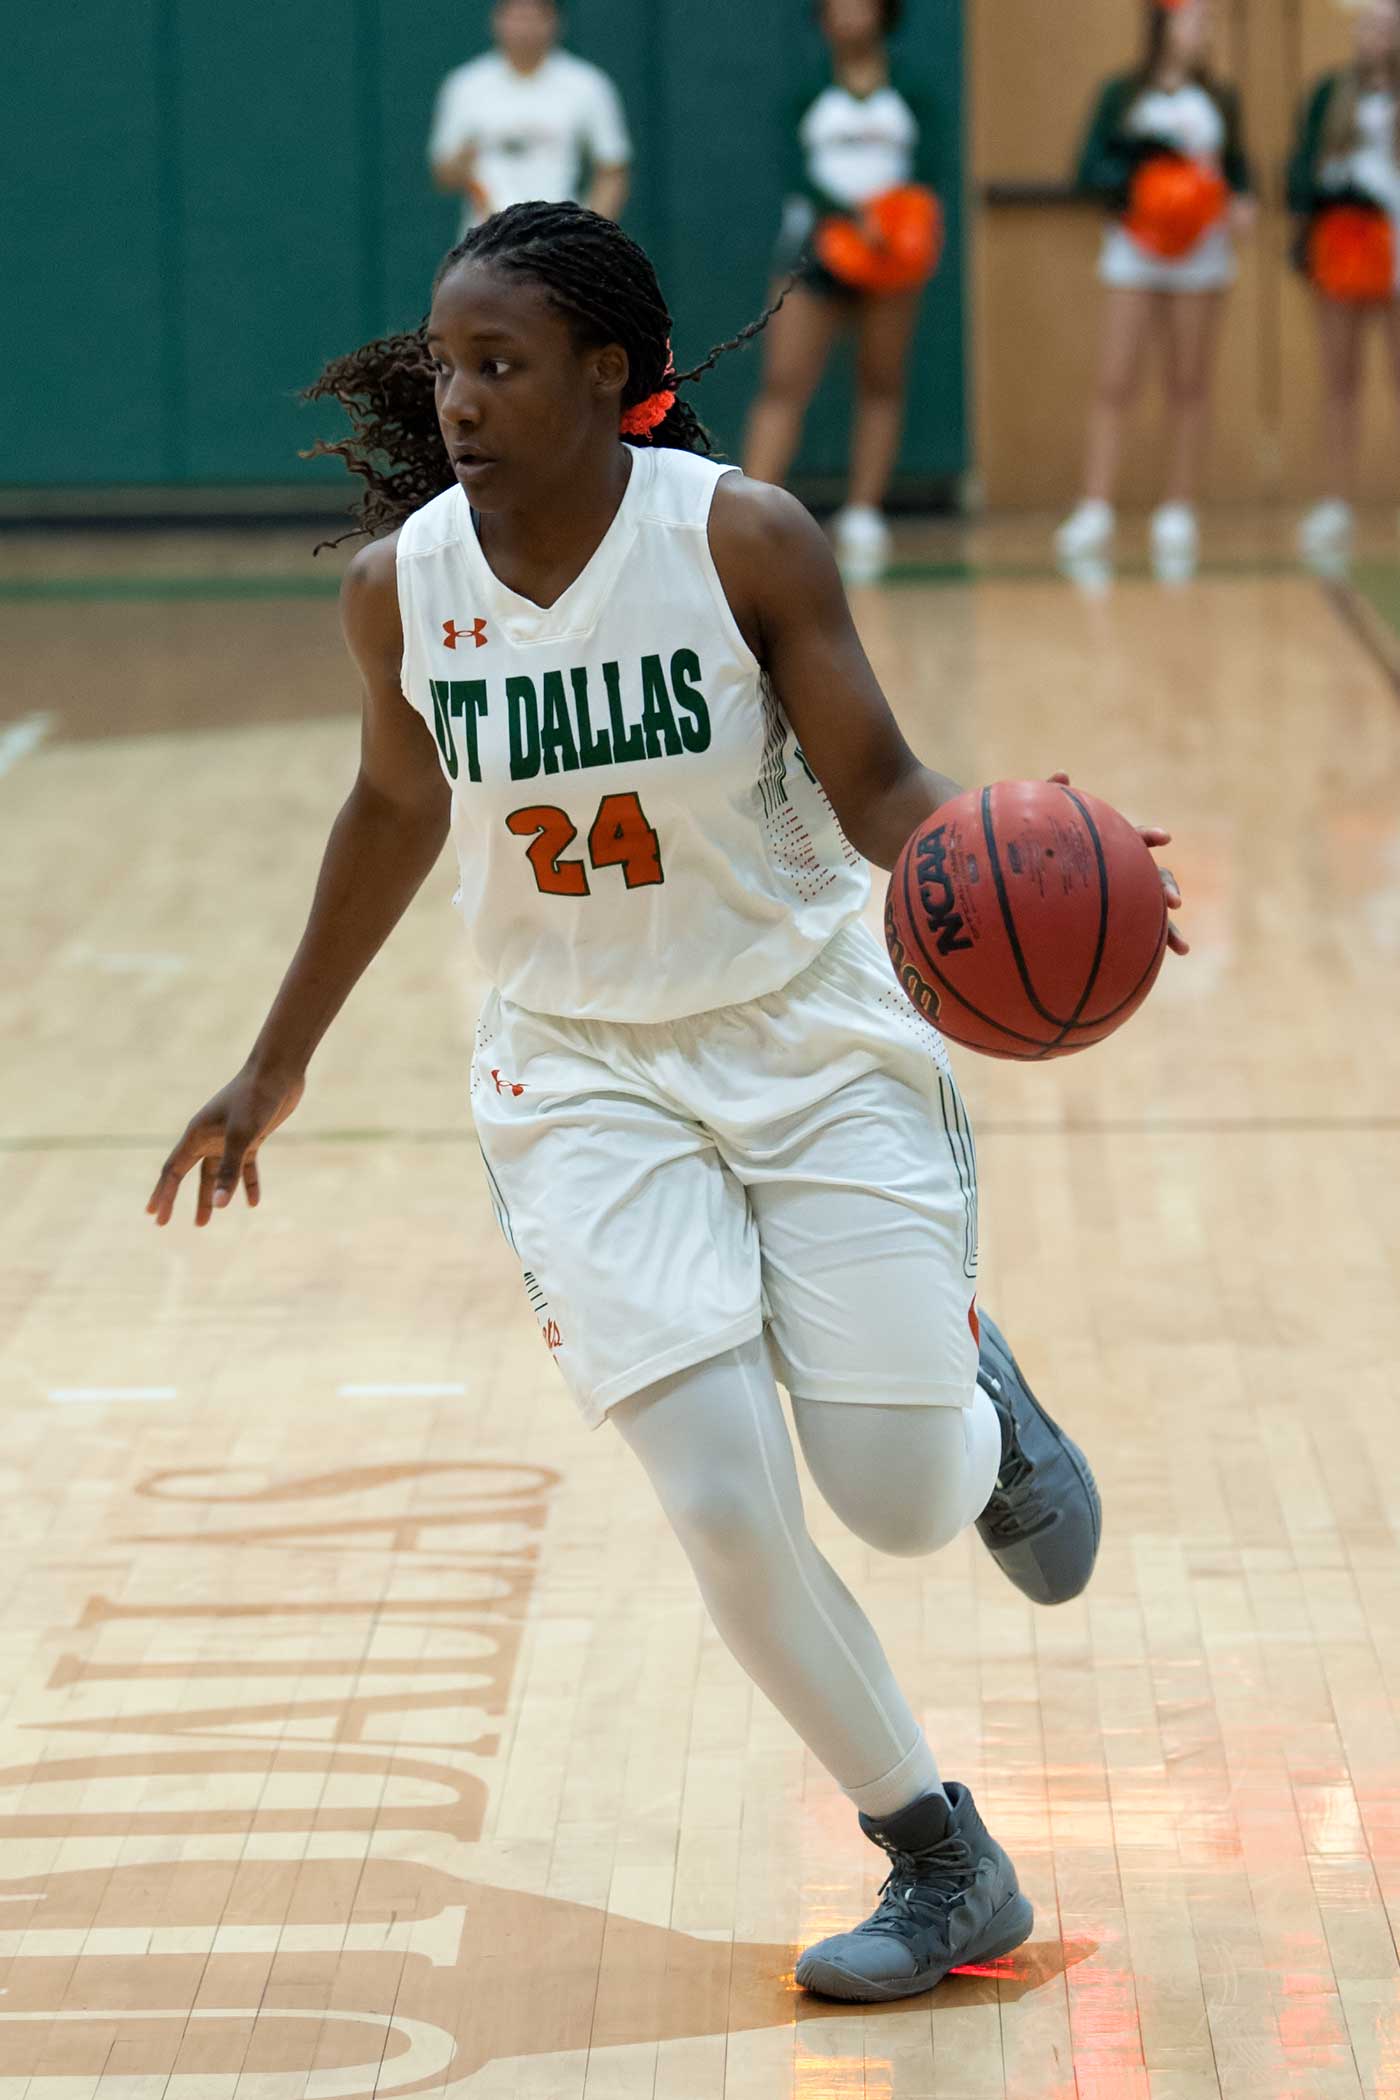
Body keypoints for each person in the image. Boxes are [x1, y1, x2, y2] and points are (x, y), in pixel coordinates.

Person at [147, 202, 1186, 2004]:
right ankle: (938, 1857)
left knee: (895, 1502)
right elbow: (394, 805)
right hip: (578, 1074)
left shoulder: (739, 538)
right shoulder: (401, 588)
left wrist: (1019, 849)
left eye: (500, 364)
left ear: (606, 371)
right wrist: (275, 1057)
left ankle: (980, 1400)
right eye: (446, 365)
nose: (458, 400)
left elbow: (876, 784)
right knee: (717, 1493)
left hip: (807, 1034)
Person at [742, 0, 943, 583]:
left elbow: (929, 170)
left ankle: (863, 511)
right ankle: (750, 507)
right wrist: (849, 218)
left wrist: (890, 221)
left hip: (890, 256)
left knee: (881, 379)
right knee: (784, 381)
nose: (850, 15)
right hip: (815, 253)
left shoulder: (912, 92)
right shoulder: (808, 93)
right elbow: (792, 170)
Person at [1056, 0, 1255, 572]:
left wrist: (1237, 201)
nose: (1199, 30)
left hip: (1202, 255)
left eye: (1205, 21)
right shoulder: (1122, 95)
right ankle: (1095, 506)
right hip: (1135, 250)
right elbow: (1089, 168)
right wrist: (1147, 182)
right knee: (1115, 378)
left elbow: (1239, 173)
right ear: (1162, 23)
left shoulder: (1220, 99)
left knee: (1189, 381)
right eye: (1191, 18)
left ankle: (1179, 507)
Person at [1288, 0, 1400, 567]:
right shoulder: (1330, 94)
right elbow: (1301, 171)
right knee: (1340, 379)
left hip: (1396, 244)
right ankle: (1335, 499)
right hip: (1347, 246)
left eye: (1386, 25)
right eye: (1368, 25)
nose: (1374, 36)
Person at [429, 0, 630, 233]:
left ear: (554, 22)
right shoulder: (466, 85)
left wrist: (588, 232)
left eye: (533, 17)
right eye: (515, 17)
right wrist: (465, 164)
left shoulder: (587, 84)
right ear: (497, 21)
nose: (524, 28)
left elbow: (612, 169)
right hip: (487, 238)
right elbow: (444, 173)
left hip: (558, 237)